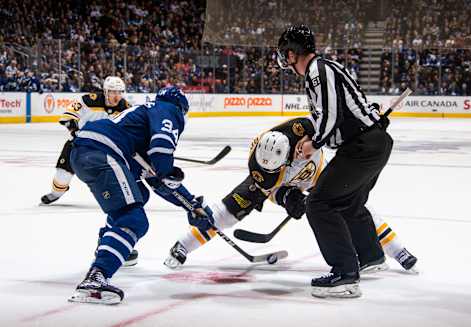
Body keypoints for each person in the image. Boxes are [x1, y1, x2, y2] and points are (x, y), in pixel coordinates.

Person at [164, 118, 417, 274]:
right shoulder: (261, 168)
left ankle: (397, 250)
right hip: (284, 183)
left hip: (317, 173)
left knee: (354, 205)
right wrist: (287, 197)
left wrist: (366, 126)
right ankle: (182, 246)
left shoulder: (301, 128)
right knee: (228, 212)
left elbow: (331, 129)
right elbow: (269, 191)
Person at [276, 25, 394, 298]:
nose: (285, 60)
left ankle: (345, 275)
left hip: (362, 148)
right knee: (348, 202)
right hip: (372, 144)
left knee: (319, 203)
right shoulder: (326, 69)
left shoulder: (318, 69)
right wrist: (373, 119)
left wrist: (313, 144)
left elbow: (331, 114)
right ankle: (371, 255)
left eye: (286, 53)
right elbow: (355, 107)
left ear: (293, 53)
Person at [68, 86, 213, 305]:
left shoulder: (139, 123)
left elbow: (158, 181)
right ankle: (95, 279)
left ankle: (109, 247)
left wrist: (191, 205)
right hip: (103, 152)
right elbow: (162, 149)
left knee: (139, 194)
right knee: (134, 220)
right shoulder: (168, 109)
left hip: (85, 152)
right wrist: (167, 167)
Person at [40, 76, 130, 206]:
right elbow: (70, 113)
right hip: (78, 144)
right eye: (113, 92)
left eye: (120, 92)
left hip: (105, 147)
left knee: (113, 173)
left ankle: (116, 195)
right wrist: (72, 125)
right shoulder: (89, 100)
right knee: (62, 175)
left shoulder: (125, 107)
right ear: (105, 91)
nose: (117, 96)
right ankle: (56, 193)